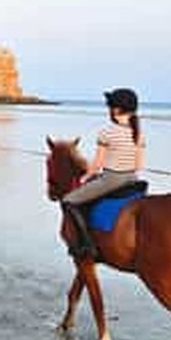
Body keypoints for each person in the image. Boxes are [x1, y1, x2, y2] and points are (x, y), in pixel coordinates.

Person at [61, 87, 146, 259]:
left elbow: (97, 164)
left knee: (69, 200)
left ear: (116, 109)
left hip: (112, 179)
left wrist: (86, 177)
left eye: (110, 106)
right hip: (133, 179)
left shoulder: (107, 132)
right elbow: (138, 165)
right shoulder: (139, 134)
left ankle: (85, 245)